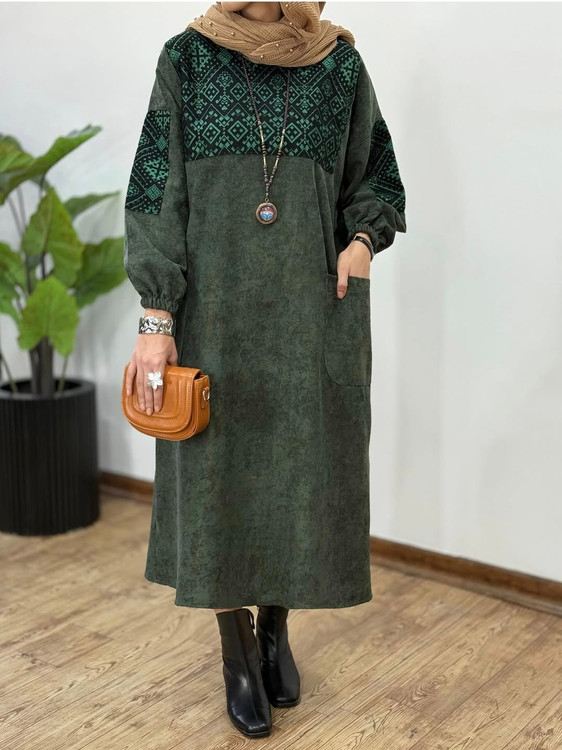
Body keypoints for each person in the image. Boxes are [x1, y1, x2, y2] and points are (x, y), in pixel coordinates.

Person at [123, 0, 406, 738]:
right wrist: (156, 315)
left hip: (312, 313)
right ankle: (236, 648)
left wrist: (362, 243)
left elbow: (377, 176)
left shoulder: (338, 65)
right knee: (215, 477)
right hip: (211, 316)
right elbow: (154, 190)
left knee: (299, 471)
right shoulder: (186, 59)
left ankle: (276, 626)